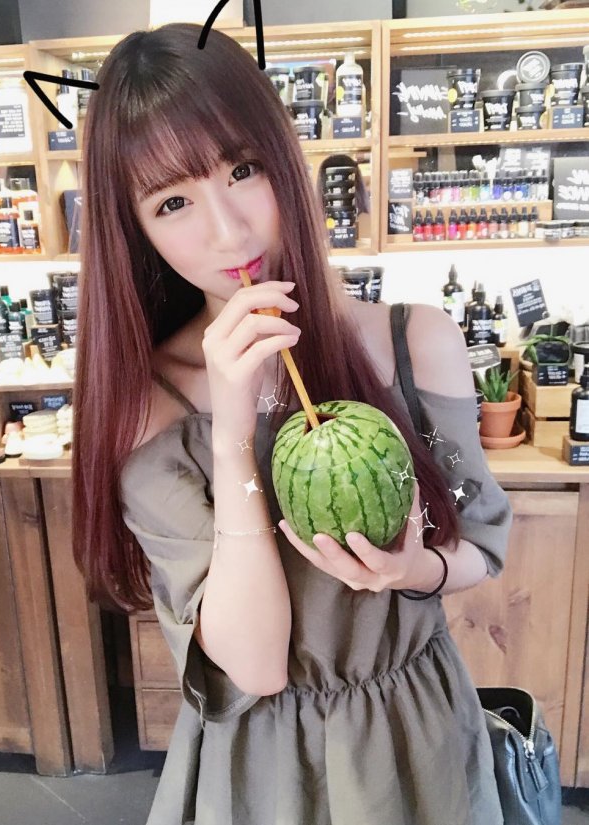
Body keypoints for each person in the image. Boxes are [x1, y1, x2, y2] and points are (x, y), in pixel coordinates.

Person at [72, 22, 513, 825]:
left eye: (242, 169)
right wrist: (234, 433)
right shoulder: (150, 405)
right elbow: (253, 667)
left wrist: (410, 569)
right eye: (173, 202)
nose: (228, 229)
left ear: (285, 156)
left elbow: (480, 546)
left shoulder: (417, 341)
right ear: (135, 231)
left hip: (422, 741)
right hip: (267, 773)